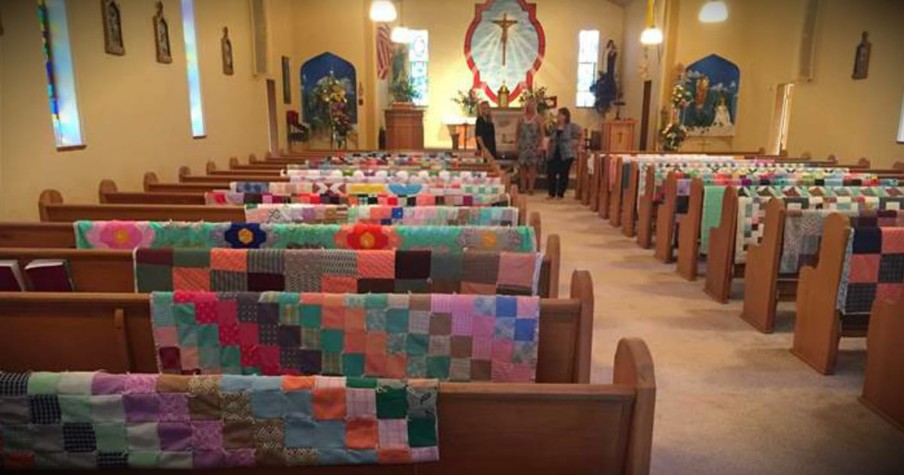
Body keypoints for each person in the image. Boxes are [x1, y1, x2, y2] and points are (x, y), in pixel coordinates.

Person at [545, 107, 582, 200]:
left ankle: (560, 194)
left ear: (565, 116)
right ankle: (551, 193)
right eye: (558, 114)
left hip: (566, 153)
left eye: (560, 114)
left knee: (563, 174)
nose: (558, 116)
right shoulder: (554, 127)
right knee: (551, 173)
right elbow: (550, 139)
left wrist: (579, 144)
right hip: (554, 152)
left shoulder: (571, 126)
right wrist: (548, 151)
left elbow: (581, 132)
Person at [515, 98, 544, 195]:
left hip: (533, 145)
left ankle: (531, 188)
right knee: (522, 167)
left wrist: (540, 145)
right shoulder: (521, 118)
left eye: (532, 105)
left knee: (532, 167)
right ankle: (523, 187)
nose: (530, 107)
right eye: (529, 105)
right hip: (523, 145)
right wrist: (516, 144)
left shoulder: (538, 118)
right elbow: (517, 132)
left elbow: (541, 133)